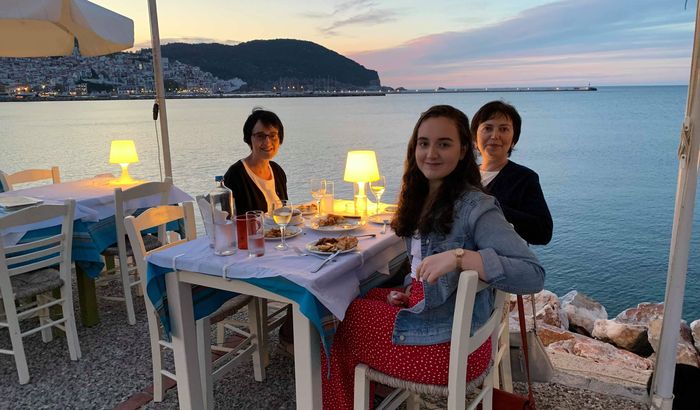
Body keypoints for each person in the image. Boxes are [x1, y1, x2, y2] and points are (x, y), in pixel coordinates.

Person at [321, 105, 545, 409]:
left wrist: (460, 257)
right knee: (370, 294)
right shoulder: (426, 195)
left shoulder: (475, 206)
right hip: (446, 324)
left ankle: (350, 397)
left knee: (338, 322)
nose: (431, 153)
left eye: (444, 143)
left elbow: (532, 273)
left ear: (464, 149)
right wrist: (413, 289)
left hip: (450, 351)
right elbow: (423, 264)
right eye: (424, 143)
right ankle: (368, 391)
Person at [471, 100, 553, 245]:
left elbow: (543, 233)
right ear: (474, 138)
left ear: (513, 140)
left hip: (502, 264)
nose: (495, 135)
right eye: (487, 128)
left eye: (503, 129)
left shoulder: (524, 178)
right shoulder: (463, 177)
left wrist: (492, 206)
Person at [223, 108, 288, 215]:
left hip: (278, 231)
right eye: (260, 136)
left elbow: (284, 212)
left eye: (273, 135)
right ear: (249, 138)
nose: (267, 142)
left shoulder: (277, 170)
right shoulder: (235, 175)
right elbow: (229, 221)